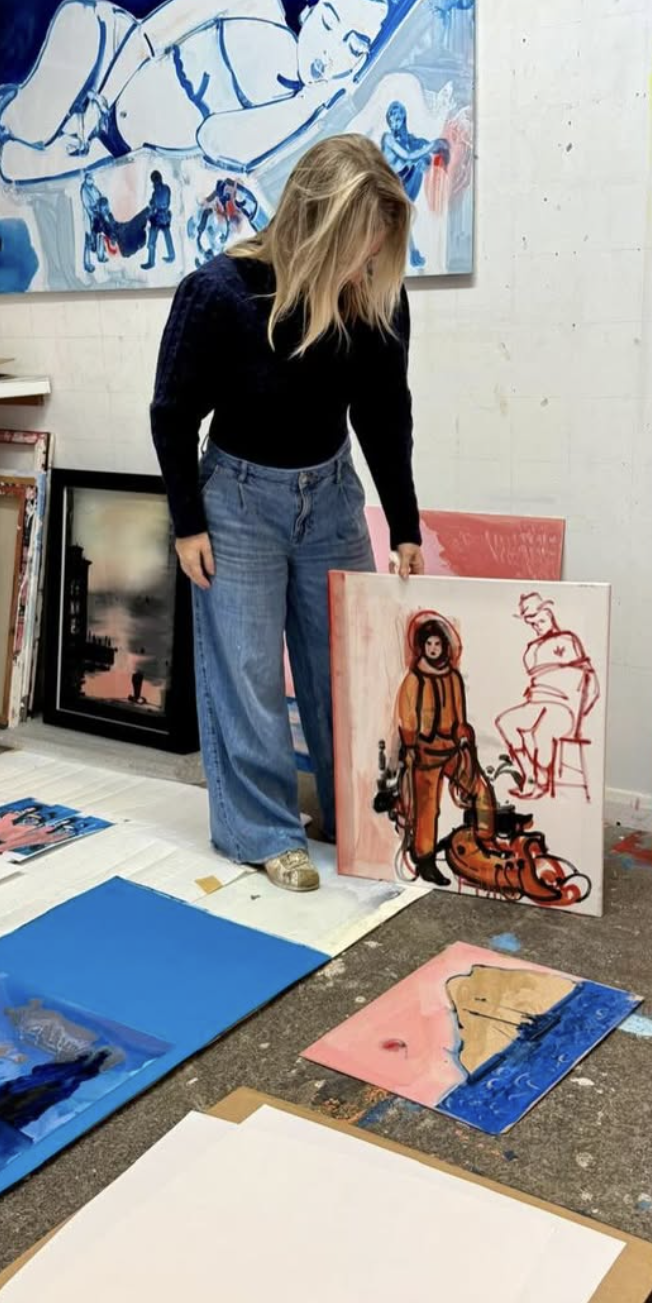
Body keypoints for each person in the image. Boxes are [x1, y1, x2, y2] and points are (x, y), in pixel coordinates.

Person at [151, 134, 425, 891]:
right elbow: (172, 413)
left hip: (330, 495)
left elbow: (384, 413)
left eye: (374, 254)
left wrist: (403, 524)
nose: (363, 268)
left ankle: (353, 815)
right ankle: (264, 832)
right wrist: (187, 524)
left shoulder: (375, 296)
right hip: (236, 504)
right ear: (313, 229)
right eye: (353, 251)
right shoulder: (220, 296)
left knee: (346, 666)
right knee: (247, 673)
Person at [0, 0, 449, 184]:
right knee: (34, 118)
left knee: (13, 165)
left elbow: (217, 138)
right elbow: (152, 33)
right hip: (110, 51)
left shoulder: (288, 115)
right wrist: (98, 104)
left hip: (111, 142)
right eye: (331, 21)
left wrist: (315, 99)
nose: (328, 50)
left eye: (353, 46)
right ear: (313, 2)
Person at [394, 613, 497, 885]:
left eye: (437, 645)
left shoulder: (453, 677)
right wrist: (410, 745)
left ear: (445, 647)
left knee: (480, 789)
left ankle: (483, 841)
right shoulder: (415, 679)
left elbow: (460, 715)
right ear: (422, 647)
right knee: (428, 809)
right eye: (428, 645)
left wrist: (464, 737)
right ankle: (425, 859)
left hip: (451, 749)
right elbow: (407, 714)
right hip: (425, 752)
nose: (433, 650)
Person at [496, 591, 600, 801]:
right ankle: (531, 777)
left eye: (541, 620)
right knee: (506, 722)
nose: (537, 626)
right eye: (532, 623)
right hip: (536, 702)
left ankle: (540, 779)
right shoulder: (532, 649)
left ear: (550, 614)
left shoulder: (568, 640)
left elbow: (592, 682)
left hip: (563, 706)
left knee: (540, 734)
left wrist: (581, 713)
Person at [381, 101, 450, 269]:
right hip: (388, 188)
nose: (395, 119)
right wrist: (433, 145)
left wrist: (433, 149)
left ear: (404, 117)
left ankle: (411, 253)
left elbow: (421, 155)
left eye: (398, 115)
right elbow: (408, 156)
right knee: (398, 218)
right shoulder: (387, 138)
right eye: (392, 116)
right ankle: (410, 253)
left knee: (402, 216)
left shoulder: (409, 140)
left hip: (404, 185)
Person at [143, 170, 175, 270]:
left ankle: (152, 261)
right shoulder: (166, 188)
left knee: (153, 239)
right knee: (166, 236)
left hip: (159, 217)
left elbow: (154, 204)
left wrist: (151, 211)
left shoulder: (157, 192)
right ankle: (170, 256)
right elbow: (167, 201)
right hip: (164, 215)